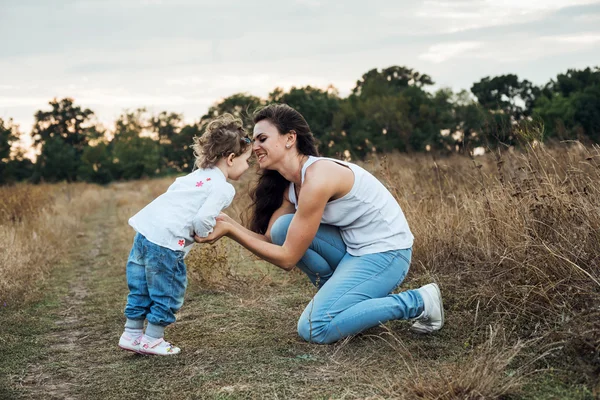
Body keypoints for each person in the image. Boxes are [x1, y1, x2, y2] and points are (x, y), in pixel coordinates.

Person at [196, 104, 444, 344]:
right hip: (353, 251)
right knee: (283, 228)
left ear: (290, 138)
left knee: (314, 328)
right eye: (254, 140)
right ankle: (341, 304)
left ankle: (419, 301)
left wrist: (230, 231)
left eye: (261, 138)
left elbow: (287, 259)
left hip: (387, 254)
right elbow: (273, 241)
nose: (255, 147)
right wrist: (227, 223)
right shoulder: (291, 187)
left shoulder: (318, 177)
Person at [118, 114, 253, 355]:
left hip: (145, 234)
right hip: (167, 244)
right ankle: (153, 340)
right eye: (247, 160)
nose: (248, 166)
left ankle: (132, 334)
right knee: (167, 289)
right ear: (231, 158)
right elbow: (202, 219)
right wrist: (204, 234)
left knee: (141, 287)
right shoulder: (223, 187)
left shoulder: (195, 176)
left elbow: (173, 197)